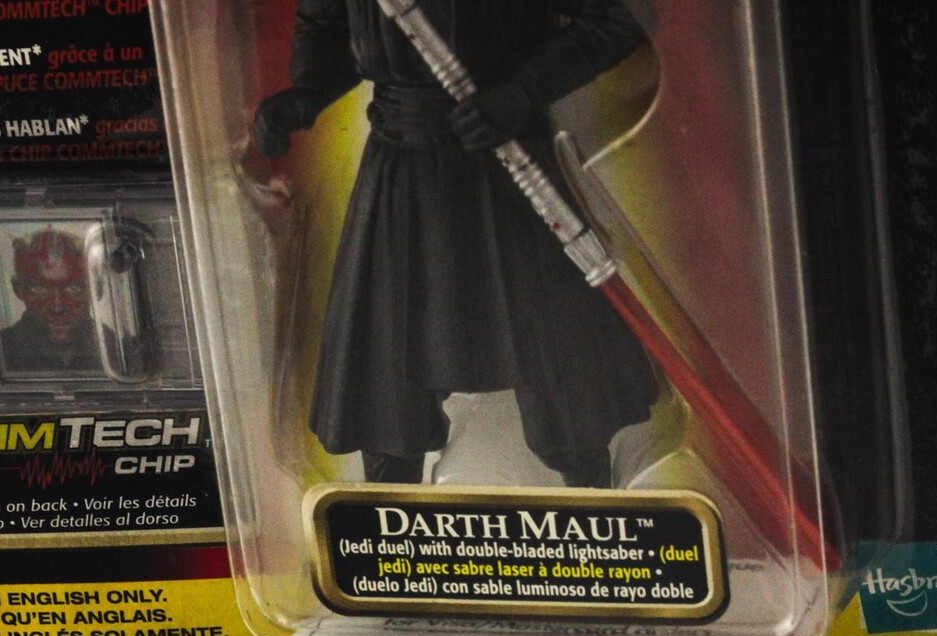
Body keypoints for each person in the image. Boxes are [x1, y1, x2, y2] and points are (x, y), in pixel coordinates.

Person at [255, 0, 658, 488]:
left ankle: (598, 510)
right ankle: (382, 518)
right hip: (401, 166)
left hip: (510, 160)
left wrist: (523, 93)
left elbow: (618, 19)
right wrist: (307, 90)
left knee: (566, 385)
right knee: (386, 398)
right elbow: (326, 26)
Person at [0, 228, 102, 373]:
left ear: (97, 288)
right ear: (18, 289)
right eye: (39, 289)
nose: (57, 307)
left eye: (74, 288)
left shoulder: (120, 350)